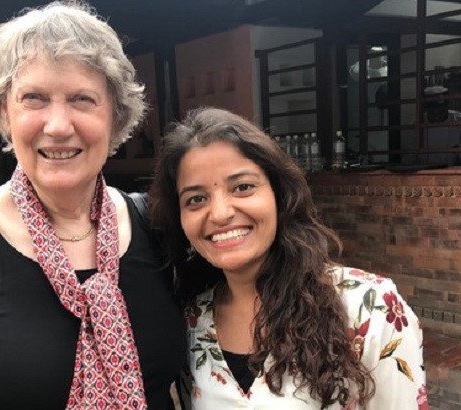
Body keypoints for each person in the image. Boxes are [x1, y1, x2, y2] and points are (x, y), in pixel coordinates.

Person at [0, 2, 186, 409]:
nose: (58, 126)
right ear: (5, 112)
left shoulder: (155, 225)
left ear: (117, 116)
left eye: (82, 99)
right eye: (34, 98)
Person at [149, 108, 427, 409]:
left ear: (279, 195)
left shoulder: (370, 308)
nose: (220, 213)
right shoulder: (191, 320)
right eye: (196, 199)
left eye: (242, 187)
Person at [421, 85, 461, 166]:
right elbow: (411, 157)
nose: (437, 115)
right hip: (425, 173)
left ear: (447, 106)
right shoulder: (418, 124)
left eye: (441, 111)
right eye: (433, 112)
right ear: (427, 109)